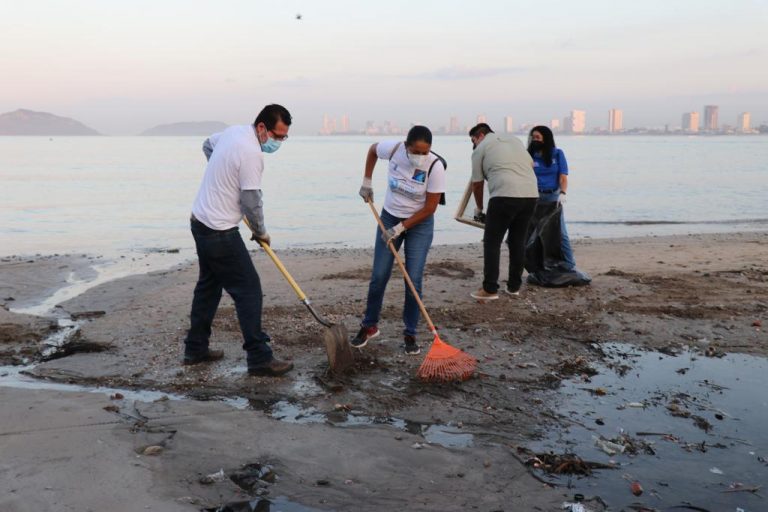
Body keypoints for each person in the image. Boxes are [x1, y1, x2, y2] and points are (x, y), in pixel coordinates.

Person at [183, 104, 294, 377]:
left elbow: (207, 146)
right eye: (277, 136)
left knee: (208, 287)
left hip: (199, 220)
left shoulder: (233, 133)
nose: (279, 142)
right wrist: (261, 231)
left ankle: (195, 349)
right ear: (261, 128)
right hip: (219, 230)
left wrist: (223, 175)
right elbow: (251, 201)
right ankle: (259, 358)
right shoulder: (252, 154)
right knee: (249, 290)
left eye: (284, 138)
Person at [352, 125, 446, 355]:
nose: (420, 157)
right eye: (416, 151)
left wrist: (400, 228)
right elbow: (373, 150)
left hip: (419, 223)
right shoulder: (393, 150)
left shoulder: (435, 166)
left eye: (425, 152)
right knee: (379, 275)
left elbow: (431, 208)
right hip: (389, 215)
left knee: (413, 279)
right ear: (406, 146)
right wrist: (367, 181)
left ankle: (410, 333)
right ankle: (369, 325)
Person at [468, 123, 538, 300]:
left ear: (480, 136)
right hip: (530, 194)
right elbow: (530, 164)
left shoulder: (480, 148)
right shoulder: (514, 140)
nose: (473, 145)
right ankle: (514, 287)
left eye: (472, 141)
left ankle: (490, 289)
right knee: (518, 242)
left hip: (504, 195)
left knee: (492, 242)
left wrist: (479, 209)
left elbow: (476, 183)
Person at [527, 125, 576, 270]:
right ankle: (535, 264)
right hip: (533, 197)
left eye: (538, 137)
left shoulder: (557, 154)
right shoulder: (529, 155)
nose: (535, 140)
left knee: (560, 231)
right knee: (533, 232)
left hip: (553, 197)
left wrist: (563, 193)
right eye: (533, 137)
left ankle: (569, 264)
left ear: (546, 138)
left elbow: (563, 177)